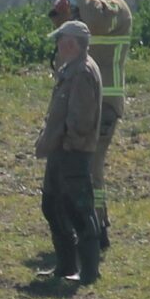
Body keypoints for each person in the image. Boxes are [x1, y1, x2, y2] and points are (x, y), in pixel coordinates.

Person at [63, 0, 134, 249]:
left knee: (91, 166)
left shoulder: (114, 6)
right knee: (81, 165)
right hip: (83, 101)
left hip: (105, 103)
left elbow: (99, 21)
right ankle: (90, 224)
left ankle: (95, 228)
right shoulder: (87, 13)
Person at [34, 18, 104, 285]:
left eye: (61, 41)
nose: (58, 46)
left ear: (72, 44)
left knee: (78, 211)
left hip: (72, 152)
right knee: (52, 206)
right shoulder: (71, 69)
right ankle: (65, 266)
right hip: (59, 151)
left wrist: (67, 143)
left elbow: (81, 120)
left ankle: (88, 272)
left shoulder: (83, 72)